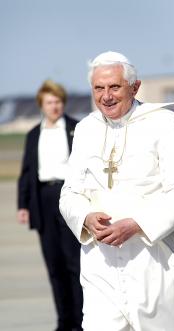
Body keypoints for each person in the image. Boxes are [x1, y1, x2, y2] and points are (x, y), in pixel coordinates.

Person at [59, 51, 174, 331]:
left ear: (135, 87)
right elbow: (70, 193)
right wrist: (85, 217)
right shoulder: (85, 129)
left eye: (114, 87)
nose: (106, 96)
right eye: (98, 88)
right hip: (100, 262)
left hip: (155, 258)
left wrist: (138, 225)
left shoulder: (163, 123)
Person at [17, 80, 83, 331]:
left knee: (74, 264)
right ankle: (64, 322)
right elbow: (26, 172)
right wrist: (23, 205)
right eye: (49, 103)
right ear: (41, 105)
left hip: (69, 196)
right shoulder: (34, 134)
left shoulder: (77, 129)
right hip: (43, 200)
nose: (54, 107)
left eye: (58, 102)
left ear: (63, 103)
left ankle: (81, 322)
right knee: (54, 265)